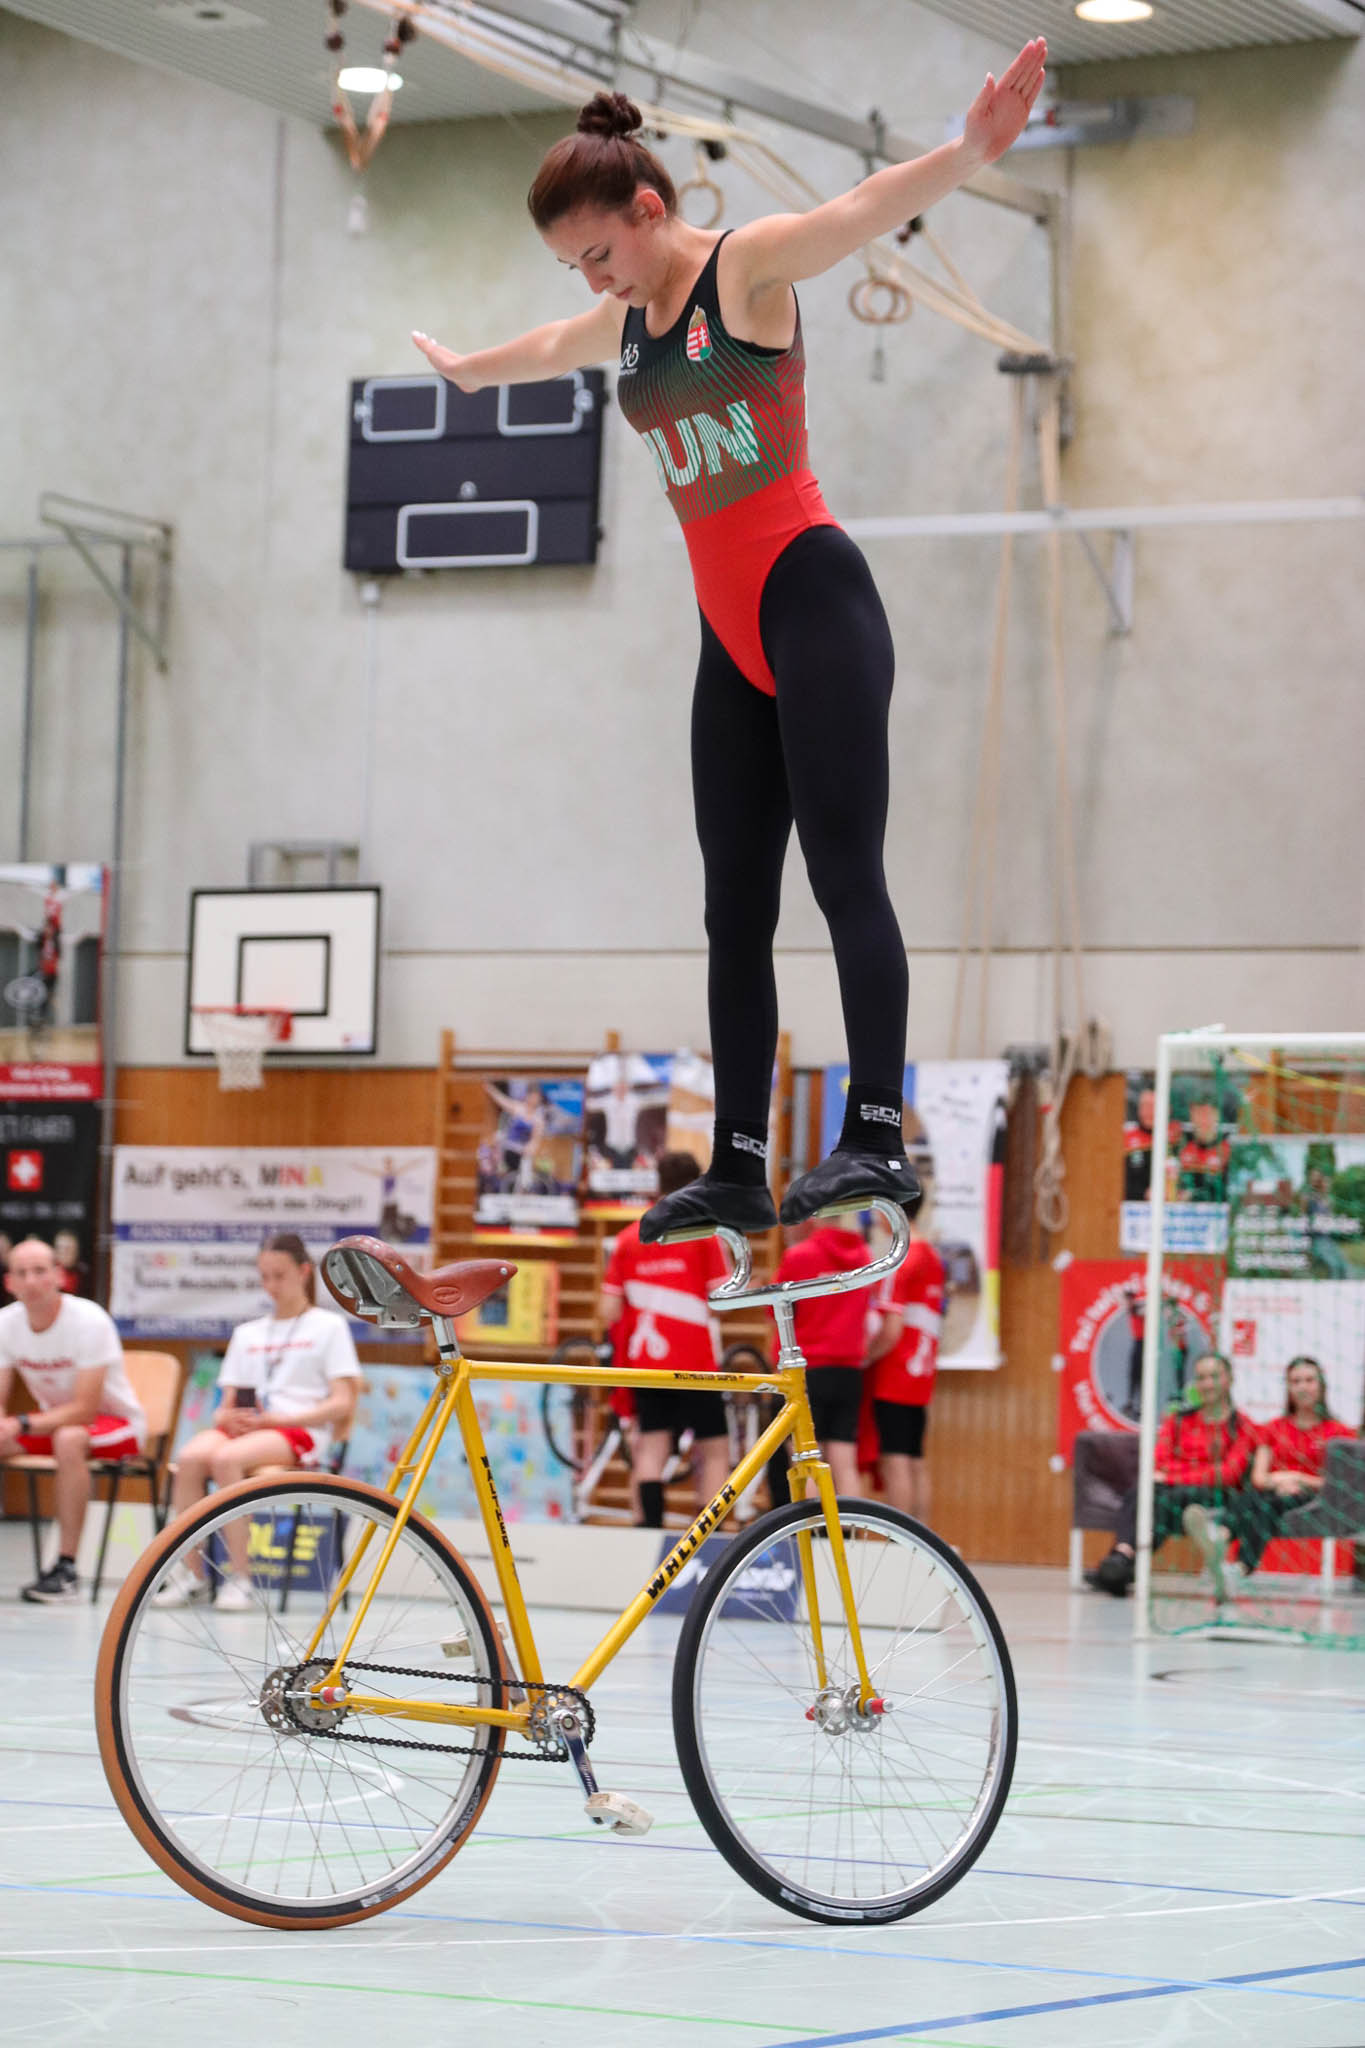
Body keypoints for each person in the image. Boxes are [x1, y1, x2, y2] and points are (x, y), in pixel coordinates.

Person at [412, 40, 1047, 1244]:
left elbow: (859, 211)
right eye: (573, 265)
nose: (593, 280)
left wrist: (967, 153)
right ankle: (740, 1163)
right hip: (729, 634)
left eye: (599, 254)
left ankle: (876, 1134)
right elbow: (549, 348)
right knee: (732, 910)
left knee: (845, 876)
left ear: (650, 210)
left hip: (813, 599)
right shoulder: (630, 321)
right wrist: (470, 375)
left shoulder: (743, 271)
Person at [153, 1233, 361, 1610]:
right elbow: (224, 1406)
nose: (271, 1286)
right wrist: (227, 1417)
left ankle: (241, 1577)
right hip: (251, 1429)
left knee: (226, 1458)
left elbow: (342, 1402)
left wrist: (283, 1419)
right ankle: (194, 1575)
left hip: (299, 1430)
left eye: (279, 1276)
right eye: (264, 1276)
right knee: (190, 1457)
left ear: (303, 1272)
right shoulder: (247, 1333)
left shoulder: (328, 1327)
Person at [0, 1236, 146, 1604]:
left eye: (40, 1271)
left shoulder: (89, 1320)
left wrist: (20, 1423)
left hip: (116, 1425)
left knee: (69, 1437)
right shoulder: (5, 1323)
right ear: (9, 1283)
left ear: (59, 1276)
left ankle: (66, 1569)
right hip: (52, 1425)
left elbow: (85, 1409)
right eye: (21, 1273)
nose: (31, 1281)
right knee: (51, 1434)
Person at [598, 1151, 730, 1527]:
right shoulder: (705, 1235)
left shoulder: (630, 1237)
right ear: (697, 1183)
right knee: (714, 1449)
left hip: (648, 1363)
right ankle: (711, 1535)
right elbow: (720, 1301)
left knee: (651, 1446)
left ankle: (649, 1531)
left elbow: (609, 1309)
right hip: (696, 1363)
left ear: (657, 1182)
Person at [1086, 1350, 1266, 1599]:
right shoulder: (1178, 1420)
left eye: (1214, 1376)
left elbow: (1227, 1475)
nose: (1208, 1383)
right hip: (1172, 1495)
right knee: (1142, 1491)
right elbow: (1160, 1462)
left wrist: (1176, 1476)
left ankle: (1122, 1564)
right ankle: (1122, 1558)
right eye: (1201, 1377)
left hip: (1214, 1497)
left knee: (1161, 1497)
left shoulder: (1244, 1427)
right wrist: (1193, 1472)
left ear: (1230, 1379)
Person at [772, 1216, 878, 1497]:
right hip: (849, 1371)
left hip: (808, 1369)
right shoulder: (863, 1256)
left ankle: (812, 1525)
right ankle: (849, 1526)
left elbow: (775, 1308)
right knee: (845, 1463)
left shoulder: (799, 1256)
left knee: (805, 1459)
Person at [864, 1220, 945, 1520]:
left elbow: (891, 1330)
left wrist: (864, 1357)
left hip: (895, 1373)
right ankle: (921, 1536)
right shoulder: (932, 1256)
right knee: (914, 1458)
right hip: (921, 1372)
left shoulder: (901, 1258)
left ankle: (901, 1538)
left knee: (895, 1460)